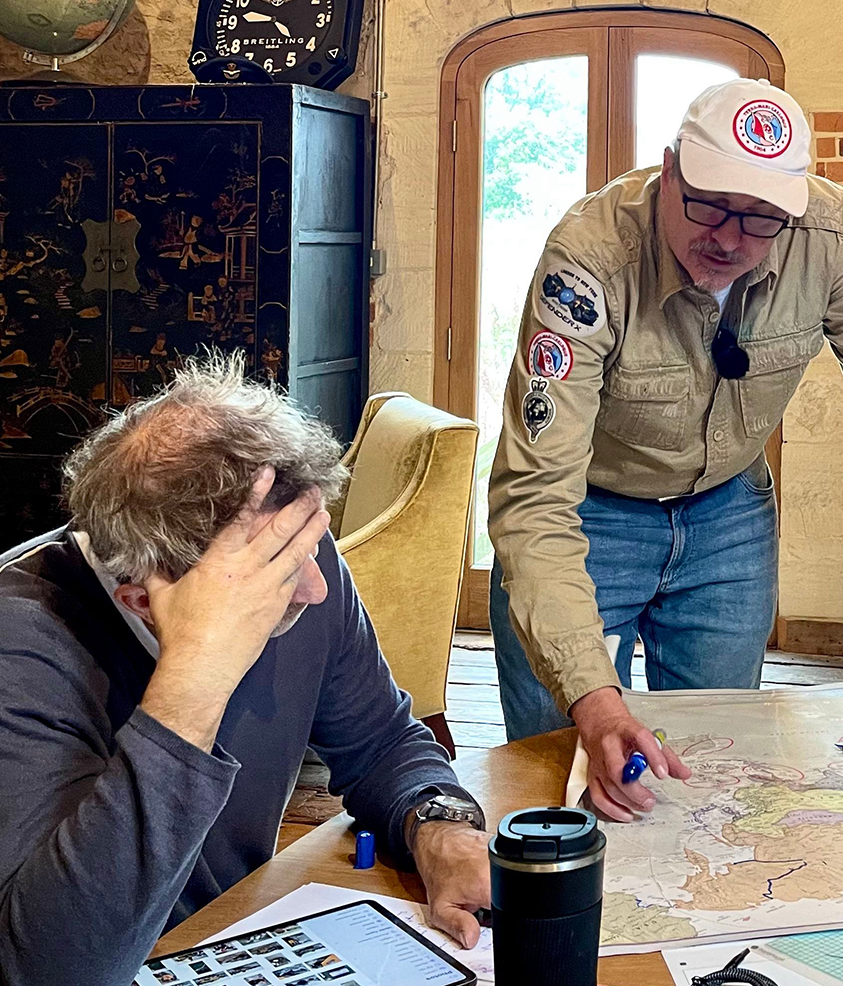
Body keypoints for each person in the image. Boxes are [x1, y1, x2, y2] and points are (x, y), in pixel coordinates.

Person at [488, 77, 843, 822]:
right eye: (708, 204)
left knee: (712, 780)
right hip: (588, 517)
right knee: (564, 777)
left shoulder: (826, 232)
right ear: (669, 167)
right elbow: (534, 497)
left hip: (727, 518)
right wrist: (594, 700)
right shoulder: (586, 259)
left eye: (759, 221)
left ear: (795, 206)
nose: (727, 238)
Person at [0, 357, 493, 985]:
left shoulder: (298, 570)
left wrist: (441, 827)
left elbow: (381, 744)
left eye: (310, 546)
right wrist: (192, 680)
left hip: (229, 937)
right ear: (145, 600)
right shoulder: (21, 647)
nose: (316, 589)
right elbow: (49, 967)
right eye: (279, 571)